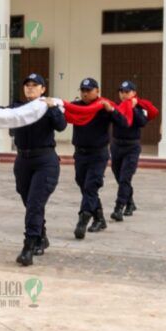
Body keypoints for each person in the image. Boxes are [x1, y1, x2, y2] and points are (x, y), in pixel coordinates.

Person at [0, 73, 65, 266]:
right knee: (28, 200)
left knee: (35, 203)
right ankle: (41, 235)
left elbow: (61, 126)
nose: (30, 88)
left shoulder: (49, 106)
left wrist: (52, 108)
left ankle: (29, 246)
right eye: (27, 85)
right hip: (23, 161)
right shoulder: (17, 107)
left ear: (43, 89)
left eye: (35, 85)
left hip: (45, 161)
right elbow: (4, 115)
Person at [67, 77, 128, 239]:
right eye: (83, 91)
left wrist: (111, 111)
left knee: (90, 186)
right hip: (80, 153)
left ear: (97, 91)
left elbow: (124, 123)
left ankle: (83, 219)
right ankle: (99, 218)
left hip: (98, 154)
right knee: (83, 185)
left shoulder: (104, 106)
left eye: (89, 90)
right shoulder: (76, 106)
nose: (85, 94)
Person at [109, 80, 150, 221]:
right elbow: (113, 119)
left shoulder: (140, 107)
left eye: (127, 92)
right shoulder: (117, 107)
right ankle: (130, 203)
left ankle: (119, 207)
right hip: (116, 146)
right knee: (119, 177)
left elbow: (143, 122)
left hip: (132, 147)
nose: (124, 94)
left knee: (125, 177)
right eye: (122, 92)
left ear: (134, 93)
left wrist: (132, 108)